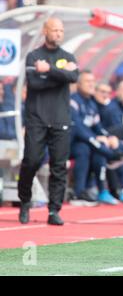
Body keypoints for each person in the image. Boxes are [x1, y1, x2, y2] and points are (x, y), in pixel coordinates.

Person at [17, 18, 79, 225]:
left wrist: (49, 71)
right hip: (37, 119)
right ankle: (25, 201)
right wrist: (62, 73)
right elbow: (35, 83)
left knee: (59, 166)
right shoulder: (33, 56)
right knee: (31, 161)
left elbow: (73, 77)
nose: (59, 33)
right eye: (55, 30)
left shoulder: (68, 56)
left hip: (61, 120)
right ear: (45, 31)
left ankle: (54, 211)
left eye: (61, 30)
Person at [69, 71, 123, 206]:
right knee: (86, 149)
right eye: (88, 81)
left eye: (93, 81)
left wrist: (109, 137)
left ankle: (103, 190)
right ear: (79, 84)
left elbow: (98, 127)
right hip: (70, 144)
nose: (91, 84)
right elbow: (78, 129)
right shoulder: (73, 101)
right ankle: (79, 192)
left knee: (105, 148)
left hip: (88, 142)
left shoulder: (91, 105)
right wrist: (98, 140)